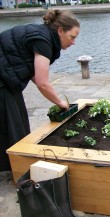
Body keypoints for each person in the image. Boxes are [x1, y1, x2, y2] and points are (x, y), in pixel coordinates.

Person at [0, 10, 80, 172]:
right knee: (11, 125)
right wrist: (60, 102)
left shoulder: (43, 36)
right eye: (72, 37)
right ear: (60, 31)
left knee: (18, 123)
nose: (74, 42)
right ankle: (18, 168)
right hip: (2, 80)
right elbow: (42, 83)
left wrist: (55, 97)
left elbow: (35, 75)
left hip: (6, 77)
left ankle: (14, 165)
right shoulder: (43, 40)